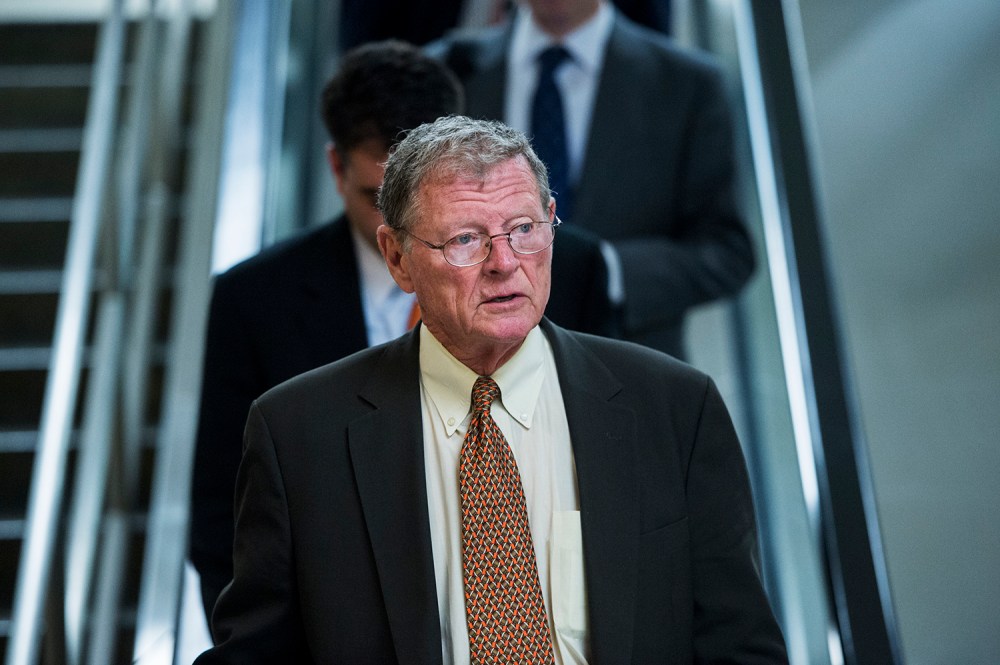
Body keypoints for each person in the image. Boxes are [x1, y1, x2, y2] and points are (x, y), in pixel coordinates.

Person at [195, 115, 786, 663]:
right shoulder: (299, 432)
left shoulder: (676, 408)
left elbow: (740, 647)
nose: (506, 262)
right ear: (398, 258)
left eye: (524, 229)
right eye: (465, 240)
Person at [188, 40, 615, 620]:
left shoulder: (567, 267)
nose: (399, 221)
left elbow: (619, 472)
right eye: (377, 197)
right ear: (337, 167)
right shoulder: (253, 300)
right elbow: (224, 512)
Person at [428, 0, 755, 358]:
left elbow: (727, 251)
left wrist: (602, 270)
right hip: (471, 372)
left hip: (629, 371)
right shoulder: (444, 72)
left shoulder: (688, 85)